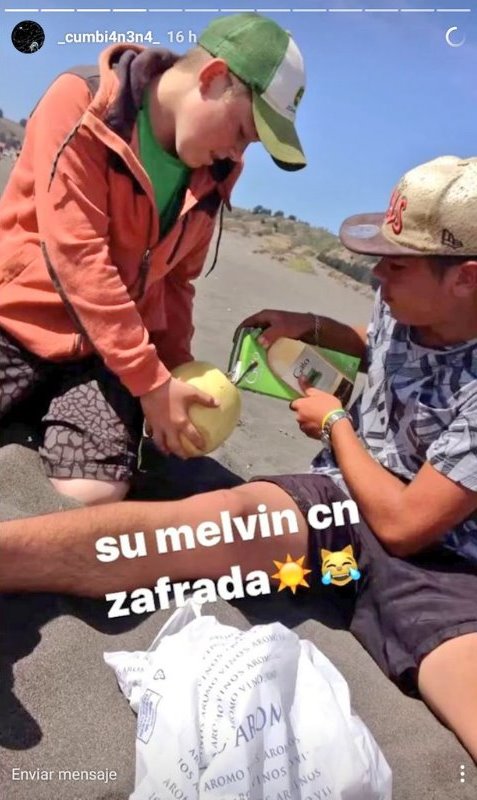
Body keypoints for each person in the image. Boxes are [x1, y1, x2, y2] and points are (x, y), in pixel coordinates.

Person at [1, 155, 477, 761]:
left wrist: (334, 423)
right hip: (339, 504)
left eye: (398, 264)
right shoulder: (408, 301)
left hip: (446, 563)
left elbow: (407, 526)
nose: (379, 273)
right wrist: (313, 326)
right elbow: (381, 340)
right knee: (201, 527)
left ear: (466, 278)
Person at [0, 12, 306, 505]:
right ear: (213, 77)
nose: (237, 151)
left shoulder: (215, 173)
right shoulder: (85, 101)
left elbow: (177, 282)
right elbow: (78, 254)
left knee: (93, 493)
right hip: (16, 323)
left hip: (103, 359)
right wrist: (151, 383)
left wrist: (178, 371)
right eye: (243, 130)